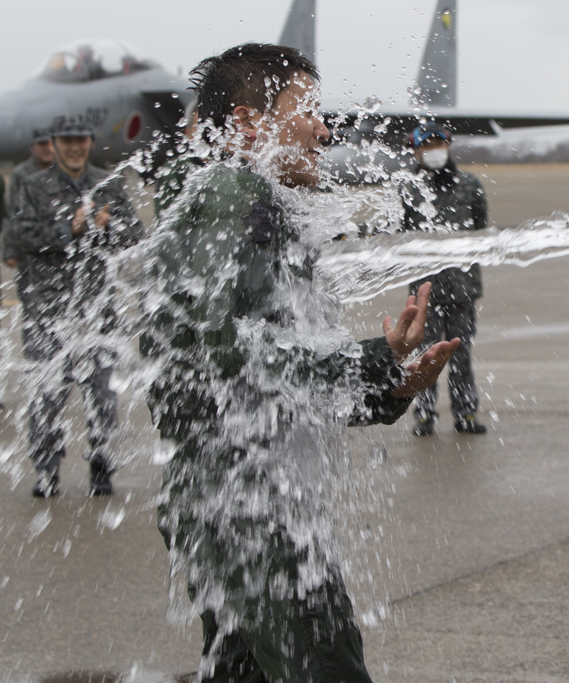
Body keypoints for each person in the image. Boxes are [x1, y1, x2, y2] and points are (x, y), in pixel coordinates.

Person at [144, 44, 458, 682]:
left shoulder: (241, 201)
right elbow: (235, 351)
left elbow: (272, 381)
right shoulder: (238, 195)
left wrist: (389, 387)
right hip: (254, 513)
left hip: (230, 501)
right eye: (306, 111)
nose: (324, 129)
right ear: (248, 125)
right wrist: (371, 361)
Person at [9, 119, 142, 498]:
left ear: (89, 142)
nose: (74, 148)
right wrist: (70, 229)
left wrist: (106, 226)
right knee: (45, 398)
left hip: (96, 310)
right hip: (48, 313)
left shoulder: (108, 181)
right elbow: (21, 234)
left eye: (80, 141)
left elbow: (134, 234)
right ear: (54, 143)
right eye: (67, 141)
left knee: (102, 396)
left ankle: (102, 467)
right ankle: (47, 471)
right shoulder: (33, 185)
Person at [401, 122, 488, 435]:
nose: (433, 151)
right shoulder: (408, 189)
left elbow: (480, 228)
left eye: (438, 144)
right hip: (425, 293)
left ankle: (466, 414)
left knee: (461, 357)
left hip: (462, 289)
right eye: (426, 146)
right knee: (425, 358)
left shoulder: (470, 184)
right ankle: (424, 414)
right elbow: (398, 235)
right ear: (416, 150)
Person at [3, 132, 55, 271]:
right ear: (33, 147)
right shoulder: (21, 175)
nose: (47, 148)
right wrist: (9, 251)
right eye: (42, 144)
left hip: (61, 249)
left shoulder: (64, 172)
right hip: (30, 251)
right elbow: (11, 213)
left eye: (50, 143)